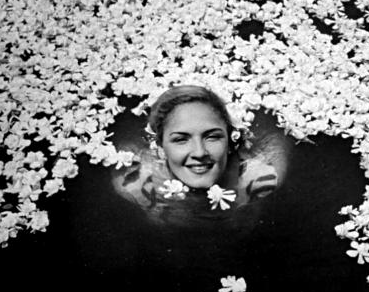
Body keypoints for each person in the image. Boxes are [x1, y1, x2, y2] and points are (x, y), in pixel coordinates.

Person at [112, 85, 289, 222]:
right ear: (160, 146)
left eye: (212, 137)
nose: (199, 152)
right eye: (181, 139)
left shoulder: (261, 179)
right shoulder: (135, 187)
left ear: (230, 141)